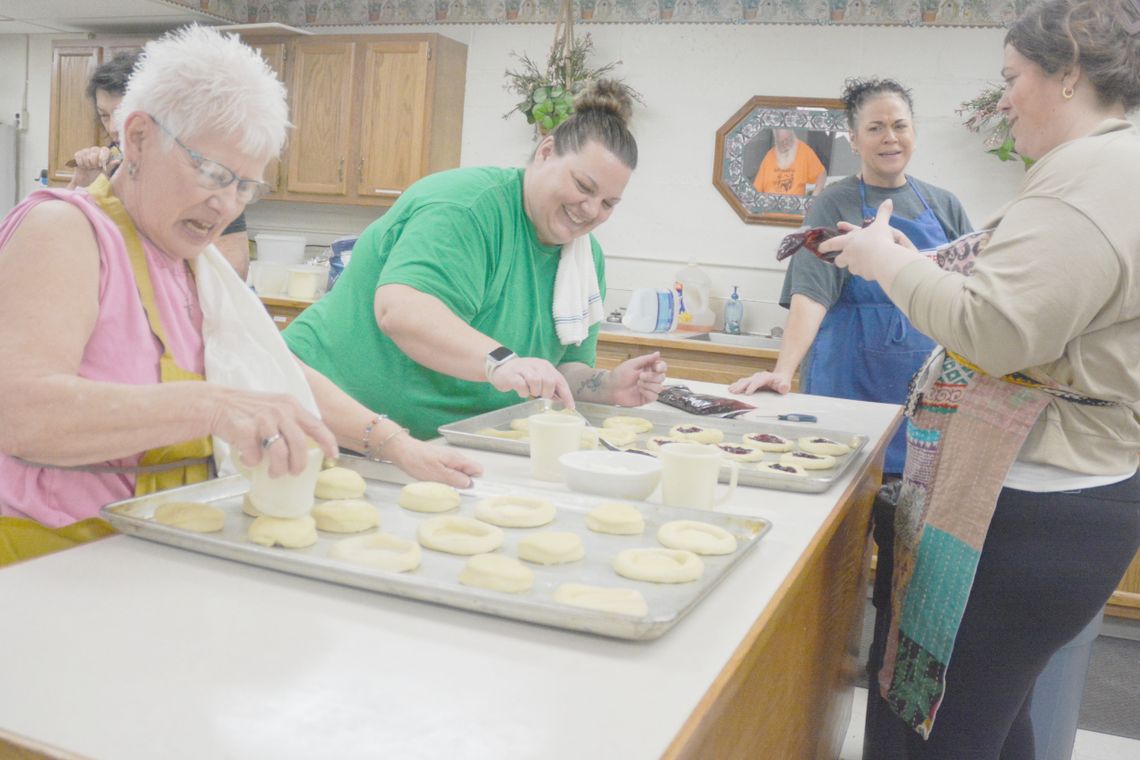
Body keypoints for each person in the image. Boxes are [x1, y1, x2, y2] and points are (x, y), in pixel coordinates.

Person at [0, 25, 480, 565]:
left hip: (159, 550)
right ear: (136, 138)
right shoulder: (63, 231)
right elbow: (21, 414)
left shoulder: (190, 263)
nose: (227, 206)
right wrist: (211, 406)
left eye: (245, 186)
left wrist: (394, 444)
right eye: (212, 173)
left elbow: (274, 376)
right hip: (53, 561)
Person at [820, 1, 1140, 756]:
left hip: (1032, 509)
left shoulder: (1090, 176)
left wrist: (887, 263)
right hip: (1077, 496)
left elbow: (996, 331)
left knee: (941, 729)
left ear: (1066, 71)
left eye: (1011, 77)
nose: (1002, 98)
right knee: (995, 721)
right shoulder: (1113, 169)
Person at [284, 81, 667, 441]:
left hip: (437, 443)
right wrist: (501, 362)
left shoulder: (585, 259)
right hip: (320, 414)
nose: (590, 210)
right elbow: (400, 312)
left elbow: (562, 369)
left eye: (608, 203)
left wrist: (610, 386)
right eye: (584, 187)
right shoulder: (467, 208)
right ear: (545, 152)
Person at [731, 78, 972, 477]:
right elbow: (812, 294)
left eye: (899, 125)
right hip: (847, 383)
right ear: (855, 140)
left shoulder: (945, 205)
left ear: (914, 132)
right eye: (875, 128)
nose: (890, 138)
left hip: (925, 392)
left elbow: (968, 294)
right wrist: (782, 371)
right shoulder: (833, 203)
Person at [66, 49, 251, 280]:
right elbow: (62, 245)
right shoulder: (110, 171)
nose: (113, 127)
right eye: (104, 115)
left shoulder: (208, 179)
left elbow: (234, 270)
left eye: (122, 113)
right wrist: (81, 185)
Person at [752, 127, 827, 197]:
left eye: (788, 140)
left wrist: (814, 197)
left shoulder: (804, 151)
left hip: (794, 210)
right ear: (776, 141)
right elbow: (756, 190)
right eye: (781, 142)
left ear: (793, 136)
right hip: (769, 209)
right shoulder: (769, 156)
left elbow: (821, 174)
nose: (785, 144)